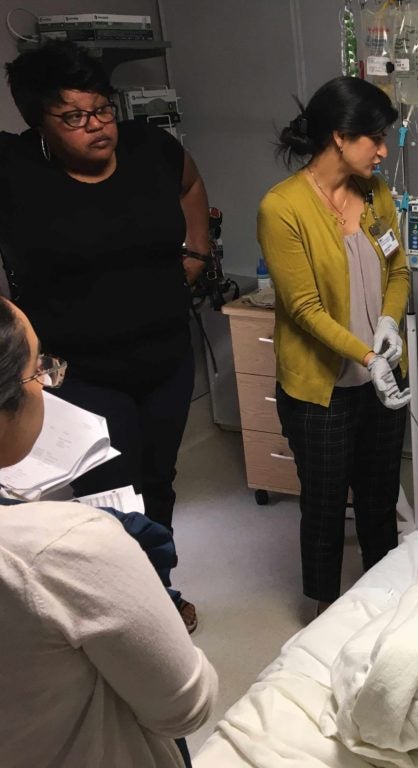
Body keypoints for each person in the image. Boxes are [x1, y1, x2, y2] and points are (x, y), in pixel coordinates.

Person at [0, 41, 212, 630]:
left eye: (102, 109)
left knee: (159, 479)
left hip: (167, 355)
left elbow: (191, 184)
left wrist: (197, 251)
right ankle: (124, 605)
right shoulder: (15, 170)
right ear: (39, 124)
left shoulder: (151, 148)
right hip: (79, 371)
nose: (96, 125)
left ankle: (159, 586)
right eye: (74, 116)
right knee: (109, 488)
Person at [0, 297, 217, 768]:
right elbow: (188, 705)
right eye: (39, 370)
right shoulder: (70, 546)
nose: (47, 384)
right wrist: (135, 578)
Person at [258, 76, 411, 617]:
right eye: (375, 137)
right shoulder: (284, 208)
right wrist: (365, 357)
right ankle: (322, 609)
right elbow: (303, 309)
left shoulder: (377, 195)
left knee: (378, 493)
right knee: (324, 504)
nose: (383, 150)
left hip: (384, 375)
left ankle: (381, 595)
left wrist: (389, 325)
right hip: (322, 386)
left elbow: (399, 271)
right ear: (340, 138)